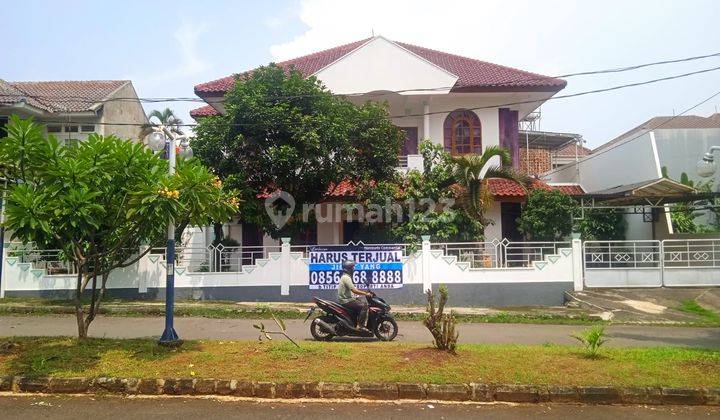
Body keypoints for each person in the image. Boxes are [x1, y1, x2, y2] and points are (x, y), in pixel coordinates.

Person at [337, 259, 373, 332]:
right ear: (349, 268)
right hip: (346, 301)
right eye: (353, 268)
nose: (354, 269)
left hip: (347, 299)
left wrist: (360, 294)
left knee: (360, 302)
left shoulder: (346, 277)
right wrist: (365, 293)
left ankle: (355, 323)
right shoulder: (346, 278)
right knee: (364, 306)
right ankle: (360, 326)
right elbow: (354, 290)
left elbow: (353, 289)